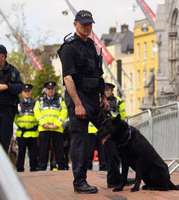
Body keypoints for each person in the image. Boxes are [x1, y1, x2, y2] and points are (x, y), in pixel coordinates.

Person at [58, 10, 109, 194]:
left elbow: (99, 75)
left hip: (94, 98)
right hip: (77, 97)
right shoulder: (69, 47)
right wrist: (78, 104)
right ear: (75, 24)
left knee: (110, 132)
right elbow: (68, 78)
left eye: (89, 24)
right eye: (84, 24)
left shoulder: (92, 46)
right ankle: (80, 182)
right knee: (79, 141)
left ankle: (114, 176)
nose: (87, 27)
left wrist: (103, 97)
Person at [34, 81, 68, 171]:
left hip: (57, 129)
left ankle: (61, 168)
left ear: (54, 90)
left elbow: (64, 112)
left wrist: (57, 124)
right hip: (44, 128)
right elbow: (37, 112)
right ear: (45, 90)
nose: (50, 91)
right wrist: (43, 123)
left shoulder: (60, 100)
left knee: (59, 150)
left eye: (52, 89)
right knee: (43, 150)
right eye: (49, 89)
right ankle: (42, 169)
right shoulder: (40, 101)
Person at [14, 83, 39, 172]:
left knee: (33, 153)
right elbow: (15, 117)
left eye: (28, 91)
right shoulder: (18, 104)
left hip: (33, 132)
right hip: (22, 133)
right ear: (22, 92)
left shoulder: (36, 103)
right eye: (25, 91)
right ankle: (20, 169)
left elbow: (39, 115)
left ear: (31, 92)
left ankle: (34, 169)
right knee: (21, 152)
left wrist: (36, 125)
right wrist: (21, 126)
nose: (27, 93)